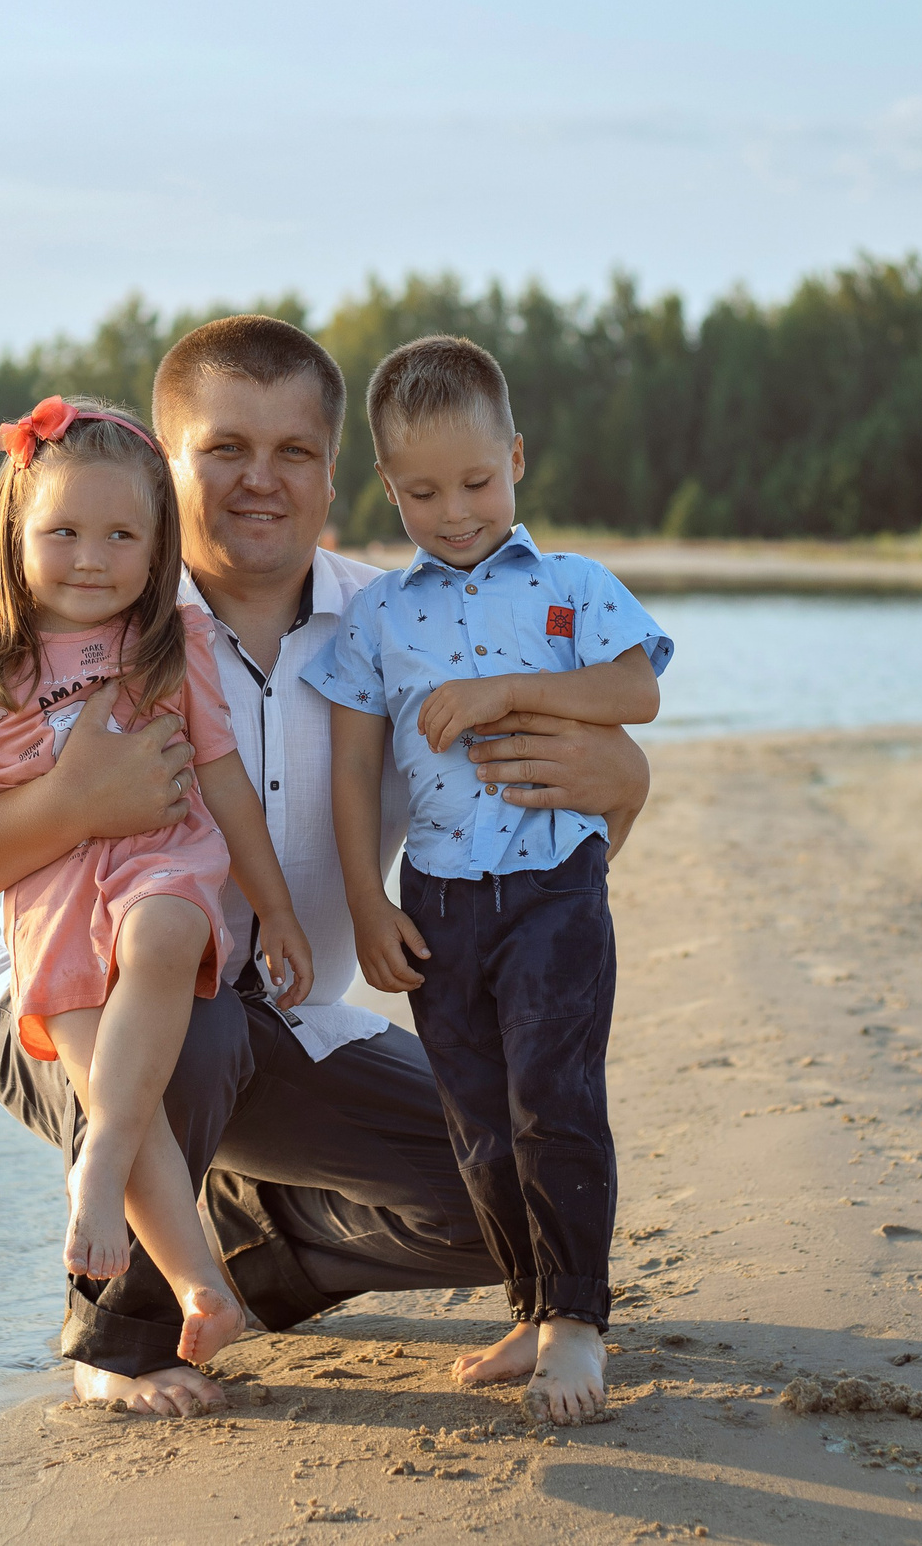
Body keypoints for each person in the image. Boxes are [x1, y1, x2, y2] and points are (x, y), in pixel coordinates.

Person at [0, 315, 655, 1418]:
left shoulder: (397, 622)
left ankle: (242, 1250)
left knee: (487, 1189)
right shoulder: (88, 615)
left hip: (292, 1015)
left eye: (292, 452)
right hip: (70, 997)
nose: (260, 481)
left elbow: (569, 789)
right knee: (190, 1006)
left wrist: (621, 777)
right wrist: (72, 800)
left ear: (334, 472)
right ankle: (116, 1334)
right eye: (224, 451)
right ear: (166, 471)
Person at [0, 396, 314, 1370]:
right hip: (50, 889)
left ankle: (99, 1164)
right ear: (13, 532)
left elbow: (223, 778)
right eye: (61, 531)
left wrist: (273, 905)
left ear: (158, 549)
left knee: (160, 946)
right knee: (99, 1061)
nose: (91, 556)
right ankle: (199, 1287)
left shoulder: (171, 644)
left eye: (121, 534)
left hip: (162, 852)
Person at [307, 335, 670, 1425]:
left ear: (515, 458)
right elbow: (356, 762)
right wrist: (367, 904)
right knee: (476, 1118)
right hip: (440, 899)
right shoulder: (375, 616)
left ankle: (577, 1321)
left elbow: (634, 696)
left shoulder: (572, 587)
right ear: (388, 487)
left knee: (555, 1101)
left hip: (555, 887)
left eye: (475, 481)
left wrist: (511, 691)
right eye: (422, 490)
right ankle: (526, 1306)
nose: (454, 511)